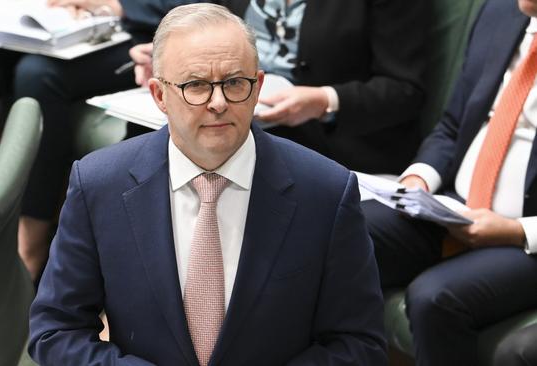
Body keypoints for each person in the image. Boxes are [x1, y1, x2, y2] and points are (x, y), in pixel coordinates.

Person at [28, 4, 386, 365]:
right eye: (195, 85)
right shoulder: (98, 185)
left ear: (258, 86)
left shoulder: (326, 192)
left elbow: (359, 344)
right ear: (159, 95)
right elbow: (57, 331)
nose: (218, 103)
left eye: (234, 83)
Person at [0, 0, 195, 283]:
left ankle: (29, 243)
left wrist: (117, 5)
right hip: (70, 19)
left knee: (39, 75)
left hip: (143, 31)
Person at [363, 0, 537, 364]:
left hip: (524, 240)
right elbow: (453, 124)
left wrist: (516, 230)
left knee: (435, 298)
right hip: (453, 208)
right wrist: (417, 180)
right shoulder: (501, 12)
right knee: (342, 228)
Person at [130, 0, 427, 174]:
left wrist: (324, 101)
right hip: (236, 106)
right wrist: (169, 60)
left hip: (328, 137)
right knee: (146, 141)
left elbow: (405, 89)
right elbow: (207, 33)